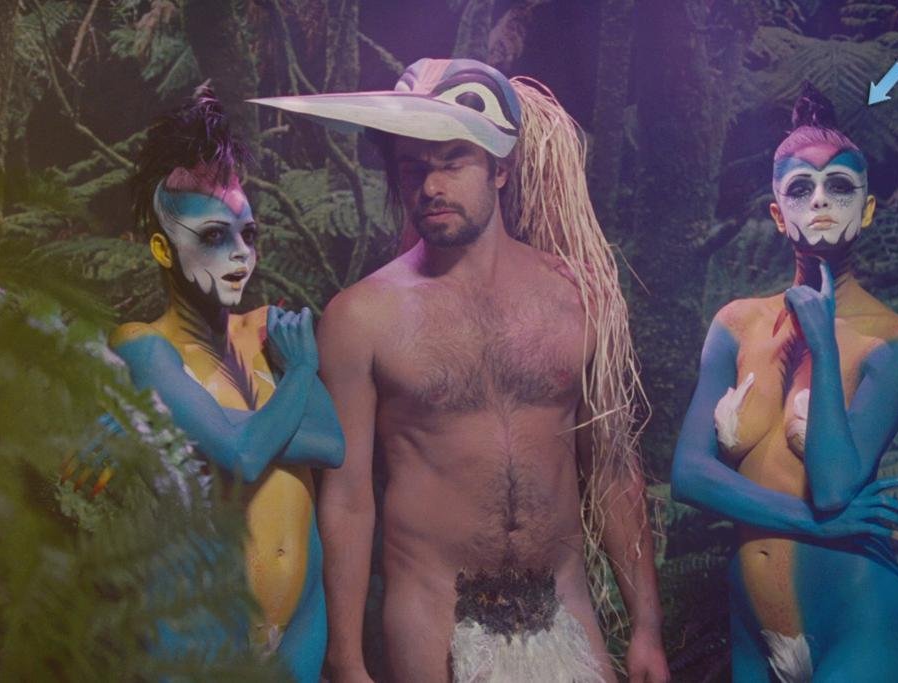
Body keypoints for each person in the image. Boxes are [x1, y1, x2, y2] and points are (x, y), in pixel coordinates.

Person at [253, 58, 670, 682]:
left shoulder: (577, 296)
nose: (430, 186)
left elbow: (611, 467)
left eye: (452, 161)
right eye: (413, 169)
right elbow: (348, 497)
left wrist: (646, 629)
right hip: (434, 619)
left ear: (500, 168)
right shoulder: (361, 317)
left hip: (565, 609)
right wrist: (346, 657)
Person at [670, 83, 898, 682]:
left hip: (858, 616)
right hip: (752, 624)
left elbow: (836, 488)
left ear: (867, 208)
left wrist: (822, 340)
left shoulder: (894, 340)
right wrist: (813, 523)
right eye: (800, 188)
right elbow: (688, 474)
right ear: (776, 213)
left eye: (839, 186)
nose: (820, 201)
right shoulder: (736, 324)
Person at [110, 87, 345, 682]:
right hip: (196, 630)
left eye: (248, 234)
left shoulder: (266, 332)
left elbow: (331, 443)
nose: (240, 254)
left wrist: (207, 428)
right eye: (214, 237)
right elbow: (243, 456)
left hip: (299, 626)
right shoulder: (143, 345)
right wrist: (301, 373)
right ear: (164, 248)